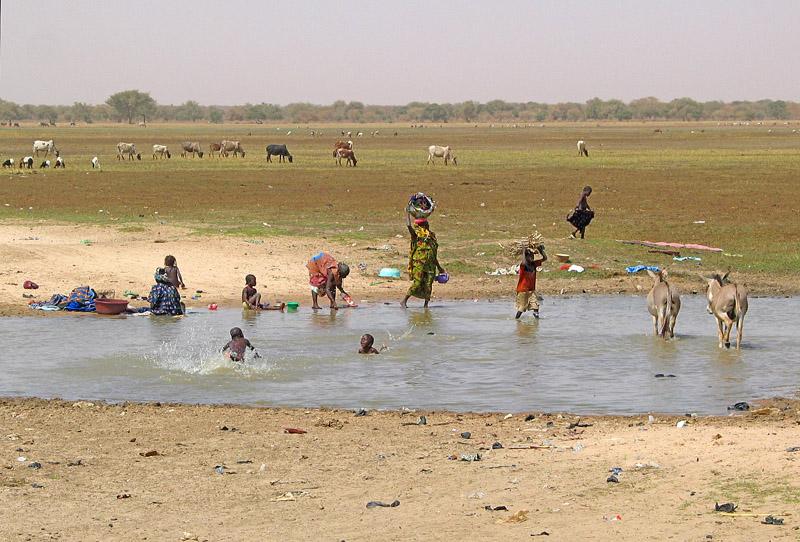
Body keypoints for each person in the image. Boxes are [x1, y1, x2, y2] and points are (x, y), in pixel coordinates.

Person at [401, 213, 444, 308]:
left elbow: (433, 254)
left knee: (429, 284)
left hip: (430, 265)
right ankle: (404, 301)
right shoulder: (416, 235)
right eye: (425, 224)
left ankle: (426, 305)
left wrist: (439, 267)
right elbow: (408, 225)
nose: (427, 225)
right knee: (417, 282)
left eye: (427, 224)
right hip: (419, 263)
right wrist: (407, 213)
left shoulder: (431, 237)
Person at [515, 246, 547, 319]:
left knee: (536, 305)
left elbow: (544, 258)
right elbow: (523, 261)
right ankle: (516, 320)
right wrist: (523, 251)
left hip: (531, 290)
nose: (532, 257)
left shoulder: (534, 264)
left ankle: (536, 320)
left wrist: (540, 250)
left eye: (533, 256)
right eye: (530, 256)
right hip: (522, 290)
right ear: (526, 257)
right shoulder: (523, 266)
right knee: (522, 308)